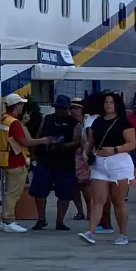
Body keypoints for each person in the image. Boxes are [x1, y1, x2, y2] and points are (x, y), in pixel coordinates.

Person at [79, 91, 136, 245]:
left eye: (111, 102)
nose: (108, 105)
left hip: (119, 163)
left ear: (117, 105)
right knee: (97, 200)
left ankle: (123, 234)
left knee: (118, 201)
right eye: (106, 102)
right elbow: (90, 141)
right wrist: (86, 152)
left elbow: (131, 143)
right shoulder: (97, 122)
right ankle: (91, 231)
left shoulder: (124, 123)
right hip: (99, 163)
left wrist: (114, 150)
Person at [0, 93, 52, 233]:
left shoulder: (4, 119)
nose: (23, 106)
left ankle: (6, 221)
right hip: (16, 161)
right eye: (21, 104)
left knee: (10, 192)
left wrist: (23, 124)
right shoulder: (14, 122)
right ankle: (9, 221)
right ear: (17, 106)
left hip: (6, 159)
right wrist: (42, 140)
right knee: (13, 193)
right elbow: (24, 142)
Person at [29, 94, 84, 230]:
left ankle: (60, 221)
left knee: (64, 193)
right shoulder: (47, 119)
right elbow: (39, 134)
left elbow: (79, 141)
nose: (60, 110)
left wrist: (64, 146)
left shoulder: (74, 123)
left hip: (65, 162)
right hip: (45, 160)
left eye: (63, 108)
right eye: (58, 107)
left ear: (67, 109)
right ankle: (41, 219)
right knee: (39, 191)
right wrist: (34, 150)